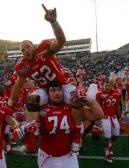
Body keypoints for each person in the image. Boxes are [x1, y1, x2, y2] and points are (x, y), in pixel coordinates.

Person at [8, 4, 83, 143]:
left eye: (27, 47)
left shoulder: (44, 48)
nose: (25, 51)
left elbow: (61, 40)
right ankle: (31, 134)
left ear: (34, 46)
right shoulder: (22, 66)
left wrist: (54, 22)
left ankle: (78, 132)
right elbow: (18, 86)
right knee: (32, 97)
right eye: (22, 50)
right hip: (44, 89)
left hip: (61, 86)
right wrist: (10, 102)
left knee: (76, 97)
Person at [37, 81, 85, 168]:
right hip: (46, 155)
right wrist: (31, 129)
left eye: (59, 90)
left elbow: (98, 115)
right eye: (53, 90)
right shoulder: (42, 110)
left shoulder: (70, 108)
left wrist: (88, 98)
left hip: (67, 154)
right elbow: (34, 127)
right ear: (47, 94)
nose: (57, 93)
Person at [96, 80, 121, 163]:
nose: (107, 87)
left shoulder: (116, 94)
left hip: (113, 117)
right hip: (104, 117)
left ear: (111, 86)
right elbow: (98, 106)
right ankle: (106, 153)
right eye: (106, 85)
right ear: (103, 86)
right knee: (107, 136)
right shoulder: (100, 94)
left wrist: (120, 116)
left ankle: (110, 145)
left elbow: (117, 105)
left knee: (116, 134)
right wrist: (98, 118)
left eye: (108, 85)